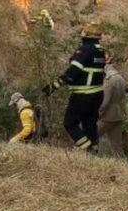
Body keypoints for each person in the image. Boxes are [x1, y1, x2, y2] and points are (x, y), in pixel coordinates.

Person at [44, 23, 106, 152]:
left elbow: (73, 72)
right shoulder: (100, 51)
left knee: (70, 123)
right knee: (89, 124)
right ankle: (93, 150)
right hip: (97, 94)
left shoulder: (85, 50)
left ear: (85, 35)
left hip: (83, 95)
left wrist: (54, 86)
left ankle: (88, 149)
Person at [98, 53, 127, 157]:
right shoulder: (121, 78)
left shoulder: (108, 80)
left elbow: (105, 102)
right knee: (117, 147)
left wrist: (98, 113)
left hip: (106, 117)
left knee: (89, 137)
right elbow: (124, 98)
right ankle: (124, 167)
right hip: (118, 115)